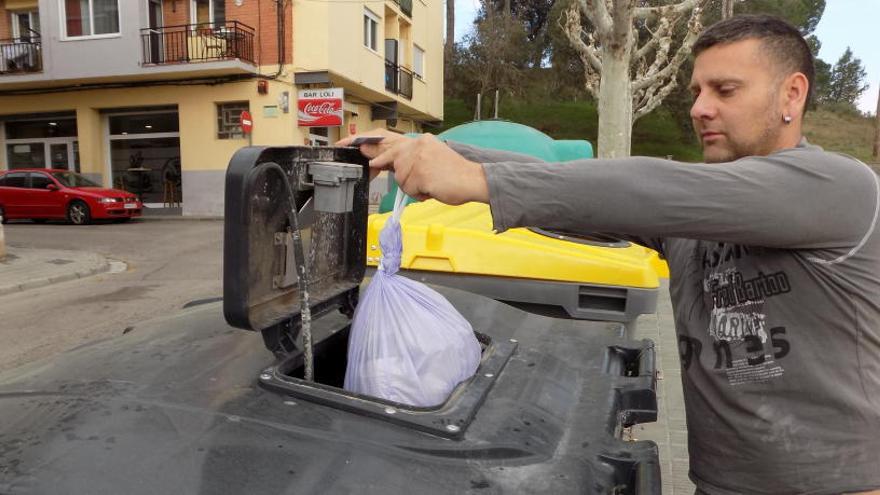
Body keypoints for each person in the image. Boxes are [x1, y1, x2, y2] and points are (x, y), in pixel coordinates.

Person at [338, 14, 880, 495]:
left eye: (725, 90)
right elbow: (580, 190)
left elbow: (656, 187)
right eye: (696, 91)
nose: (699, 108)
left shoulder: (838, 187)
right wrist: (440, 151)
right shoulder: (692, 219)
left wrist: (477, 179)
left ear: (792, 95)